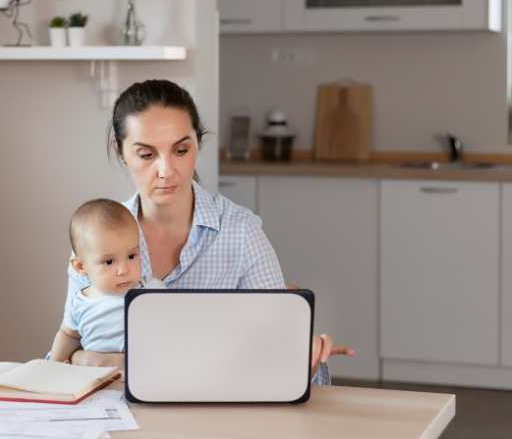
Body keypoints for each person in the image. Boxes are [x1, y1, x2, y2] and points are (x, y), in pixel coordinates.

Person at [62, 79, 353, 383]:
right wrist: (81, 358)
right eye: (147, 155)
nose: (166, 170)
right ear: (121, 152)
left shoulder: (241, 233)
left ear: (197, 145)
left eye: (181, 150)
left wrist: (306, 357)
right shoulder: (96, 238)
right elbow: (67, 349)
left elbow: (278, 357)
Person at [49, 198, 143, 362]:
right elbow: (68, 335)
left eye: (131, 256)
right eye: (109, 262)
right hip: (93, 380)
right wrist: (51, 366)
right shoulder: (81, 302)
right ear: (80, 267)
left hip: (139, 377)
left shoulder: (148, 292)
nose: (124, 270)